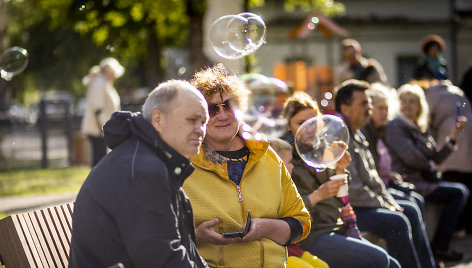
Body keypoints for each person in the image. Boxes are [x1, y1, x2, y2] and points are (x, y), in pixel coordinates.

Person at [182, 64, 311, 267]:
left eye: (230, 105)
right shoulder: (183, 165)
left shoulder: (267, 156)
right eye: (212, 109)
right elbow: (157, 234)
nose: (223, 115)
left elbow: (301, 222)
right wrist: (195, 236)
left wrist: (266, 227)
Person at [69, 80, 209, 267]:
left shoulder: (147, 158)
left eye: (203, 122)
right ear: (158, 119)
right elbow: (161, 260)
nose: (200, 130)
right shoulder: (143, 170)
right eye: (192, 120)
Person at [280, 91, 401, 268]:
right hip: (311, 235)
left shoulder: (321, 151)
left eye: (313, 122)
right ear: (288, 126)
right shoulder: (284, 158)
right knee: (379, 259)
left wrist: (340, 168)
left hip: (336, 226)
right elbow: (283, 210)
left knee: (394, 264)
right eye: (301, 123)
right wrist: (317, 196)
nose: (309, 128)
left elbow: (343, 198)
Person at [335, 79, 437, 268]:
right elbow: (354, 191)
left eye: (370, 103)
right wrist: (385, 204)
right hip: (349, 209)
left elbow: (373, 179)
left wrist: (388, 202)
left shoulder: (356, 133)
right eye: (364, 103)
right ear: (345, 107)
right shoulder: (340, 138)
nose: (370, 108)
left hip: (364, 203)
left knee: (411, 209)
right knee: (398, 220)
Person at [385, 83, 469, 262]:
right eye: (404, 101)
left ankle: (439, 246)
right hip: (411, 181)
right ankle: (439, 246)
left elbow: (436, 157)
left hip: (425, 180)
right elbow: (412, 158)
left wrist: (453, 136)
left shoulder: (419, 127)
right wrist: (432, 167)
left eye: (412, 101)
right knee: (458, 193)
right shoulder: (396, 126)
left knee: (460, 190)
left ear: (420, 106)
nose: (407, 105)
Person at [417, 79, 472, 235]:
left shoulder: (432, 94)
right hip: (467, 126)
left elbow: (426, 117)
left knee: (451, 174)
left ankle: (458, 227)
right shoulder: (455, 90)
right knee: (468, 178)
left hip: (452, 130)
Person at [270, 138, 329, 268]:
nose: (292, 167)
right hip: (278, 254)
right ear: (274, 163)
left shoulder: (288, 187)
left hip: (294, 249)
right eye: (289, 162)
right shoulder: (269, 190)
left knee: (323, 266)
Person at [81, 57, 124, 167]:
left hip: (101, 128)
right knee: (98, 160)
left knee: (100, 159)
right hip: (98, 129)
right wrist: (104, 128)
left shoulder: (104, 83)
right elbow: (97, 109)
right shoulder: (99, 83)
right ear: (109, 71)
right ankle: (96, 184)